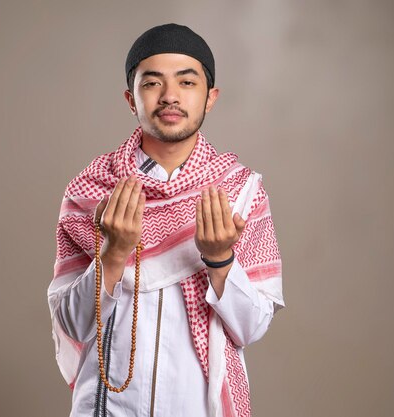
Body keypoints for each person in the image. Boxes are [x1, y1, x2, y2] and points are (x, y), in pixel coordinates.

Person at [47, 23, 285, 417]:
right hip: (107, 406)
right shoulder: (91, 192)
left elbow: (250, 329)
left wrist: (220, 260)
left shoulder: (241, 192)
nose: (170, 96)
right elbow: (73, 325)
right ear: (131, 98)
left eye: (187, 83)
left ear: (210, 98)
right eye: (152, 83)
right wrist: (115, 252)